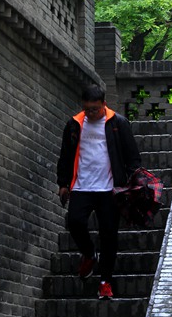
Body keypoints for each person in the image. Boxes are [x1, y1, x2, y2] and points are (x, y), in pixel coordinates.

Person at [57, 84, 141, 299]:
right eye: (87, 108)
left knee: (109, 236)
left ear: (104, 104)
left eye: (95, 108)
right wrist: (63, 183)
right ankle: (89, 254)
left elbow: (132, 157)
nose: (91, 113)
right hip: (82, 186)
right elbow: (65, 155)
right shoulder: (75, 124)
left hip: (109, 189)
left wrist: (132, 183)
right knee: (75, 222)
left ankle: (105, 282)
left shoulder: (118, 124)